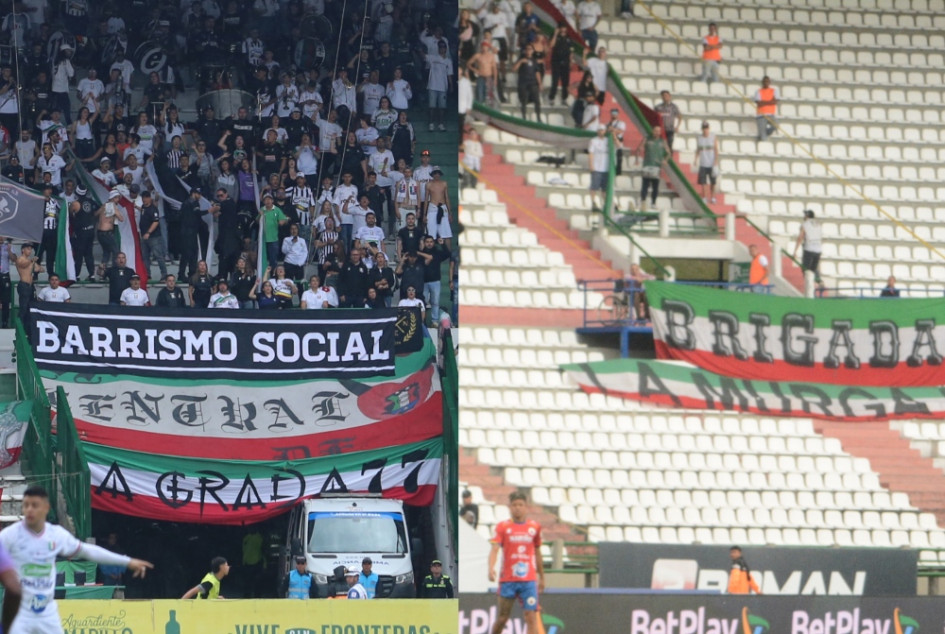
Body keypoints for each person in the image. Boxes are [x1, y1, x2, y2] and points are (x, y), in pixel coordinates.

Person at [0, 485, 153, 633]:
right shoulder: (10, 536)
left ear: (46, 508)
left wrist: (127, 561)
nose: (29, 510)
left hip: (46, 613)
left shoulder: (56, 535)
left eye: (35, 505)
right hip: (20, 613)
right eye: (26, 505)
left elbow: (88, 551)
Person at [489, 491, 544, 634]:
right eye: (514, 505)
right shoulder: (503, 527)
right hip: (508, 579)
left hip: (529, 580)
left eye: (520, 505)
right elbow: (495, 549)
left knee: (531, 616)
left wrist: (542, 577)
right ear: (510, 507)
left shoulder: (534, 528)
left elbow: (537, 552)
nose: (517, 508)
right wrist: (491, 568)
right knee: (502, 618)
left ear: (526, 507)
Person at [636, 126, 670, 211]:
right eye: (655, 130)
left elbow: (668, 153)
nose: (657, 132)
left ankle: (653, 202)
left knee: (655, 186)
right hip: (647, 164)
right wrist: (638, 155)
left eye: (658, 131)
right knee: (645, 185)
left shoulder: (663, 142)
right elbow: (639, 148)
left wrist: (665, 160)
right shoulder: (647, 139)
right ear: (652, 131)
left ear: (660, 132)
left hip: (656, 166)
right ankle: (643, 201)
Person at [96, 189, 125, 272]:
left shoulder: (103, 206)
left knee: (106, 252)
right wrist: (115, 213)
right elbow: (121, 219)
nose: (118, 200)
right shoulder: (113, 207)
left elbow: (96, 214)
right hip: (106, 233)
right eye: (117, 198)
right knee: (116, 252)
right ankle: (114, 271)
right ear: (113, 198)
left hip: (99, 233)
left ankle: (102, 270)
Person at [15, 244, 42, 327]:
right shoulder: (20, 259)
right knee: (23, 307)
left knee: (30, 307)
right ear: (23, 250)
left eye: (30, 249)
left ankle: (27, 327)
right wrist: (31, 261)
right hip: (24, 284)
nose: (30, 251)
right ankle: (19, 327)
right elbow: (22, 264)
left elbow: (40, 269)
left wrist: (34, 263)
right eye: (28, 249)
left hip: (30, 286)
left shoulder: (30, 261)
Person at [513, 44, 542, 122]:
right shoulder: (521, 59)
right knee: (524, 101)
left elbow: (537, 72)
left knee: (537, 101)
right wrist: (521, 61)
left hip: (532, 82)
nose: (528, 51)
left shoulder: (534, 60)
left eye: (530, 49)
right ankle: (524, 117)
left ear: (532, 51)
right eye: (527, 49)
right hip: (523, 83)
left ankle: (538, 118)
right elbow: (514, 69)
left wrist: (540, 83)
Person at [694, 121, 720, 203]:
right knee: (703, 181)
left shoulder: (713, 137)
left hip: (711, 162)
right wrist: (696, 159)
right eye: (704, 128)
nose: (706, 130)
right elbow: (698, 149)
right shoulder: (699, 138)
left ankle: (712, 197)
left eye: (707, 128)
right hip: (703, 162)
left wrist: (716, 161)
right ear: (702, 129)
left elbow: (716, 149)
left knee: (713, 182)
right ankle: (705, 197)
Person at [793, 209, 822, 280]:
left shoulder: (805, 225)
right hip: (818, 250)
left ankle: (809, 287)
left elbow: (800, 237)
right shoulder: (818, 224)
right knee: (813, 270)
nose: (804, 216)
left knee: (806, 270)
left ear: (807, 216)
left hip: (809, 249)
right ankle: (817, 281)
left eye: (805, 215)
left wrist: (795, 251)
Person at [587, 125, 609, 212]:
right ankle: (593, 202)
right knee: (594, 187)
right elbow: (591, 153)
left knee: (604, 188)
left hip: (606, 168)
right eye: (600, 130)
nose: (601, 132)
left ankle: (605, 203)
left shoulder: (608, 141)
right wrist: (591, 165)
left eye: (603, 130)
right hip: (597, 167)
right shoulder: (593, 141)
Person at [754, 76, 779, 141]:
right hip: (761, 115)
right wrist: (770, 101)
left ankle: (764, 132)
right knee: (763, 138)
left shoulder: (773, 91)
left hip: (771, 114)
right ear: (762, 82)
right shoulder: (758, 91)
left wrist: (763, 102)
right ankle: (762, 134)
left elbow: (775, 102)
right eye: (764, 81)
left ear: (770, 82)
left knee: (776, 125)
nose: (766, 83)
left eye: (767, 81)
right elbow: (759, 103)